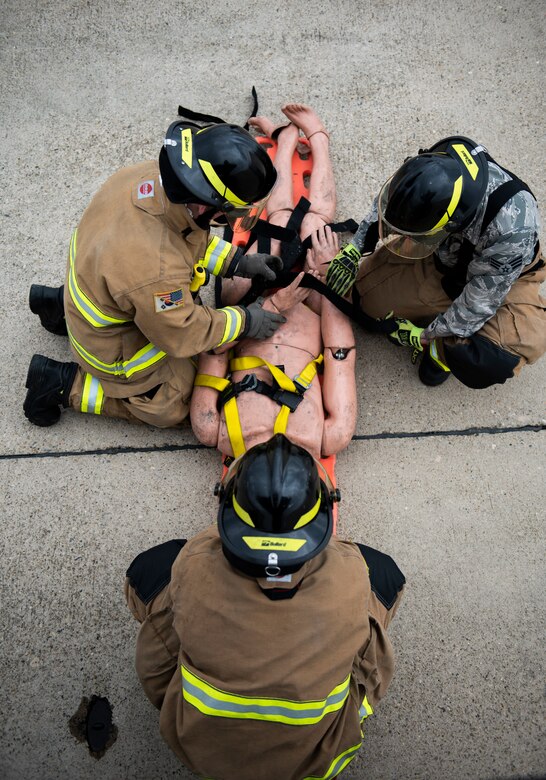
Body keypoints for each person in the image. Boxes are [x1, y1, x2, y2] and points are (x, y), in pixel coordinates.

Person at [125, 433, 406, 780]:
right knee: (387, 576)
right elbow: (374, 669)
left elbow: (155, 663)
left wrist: (172, 702)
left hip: (205, 754)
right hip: (317, 761)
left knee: (150, 570)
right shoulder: (352, 574)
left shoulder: (193, 567)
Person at [24, 120, 288, 428]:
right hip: (109, 347)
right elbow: (184, 332)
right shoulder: (155, 269)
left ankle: (58, 306)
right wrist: (245, 321)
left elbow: (188, 239)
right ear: (206, 206)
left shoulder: (148, 179)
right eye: (229, 212)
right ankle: (61, 383)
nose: (231, 219)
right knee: (176, 403)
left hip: (94, 284)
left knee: (128, 291)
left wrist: (239, 262)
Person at [191, 104, 357, 461]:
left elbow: (213, 346)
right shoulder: (331, 435)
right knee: (314, 228)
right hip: (312, 309)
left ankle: (285, 142)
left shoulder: (211, 429)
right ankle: (316, 138)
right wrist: (325, 279)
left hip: (248, 309)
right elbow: (339, 353)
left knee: (282, 222)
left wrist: (272, 305)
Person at [325, 136, 545, 388]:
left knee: (490, 359)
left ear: (452, 223)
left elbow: (478, 303)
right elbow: (394, 200)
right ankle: (435, 318)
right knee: (367, 305)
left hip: (503, 281)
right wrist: (357, 246)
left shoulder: (512, 231)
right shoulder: (435, 165)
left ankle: (441, 355)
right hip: (445, 260)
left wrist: (426, 336)